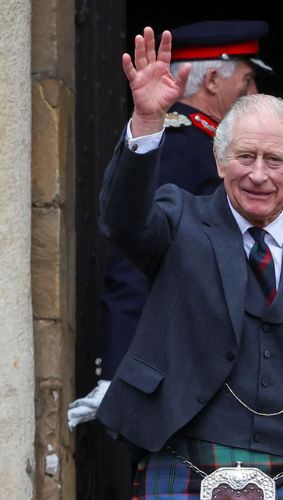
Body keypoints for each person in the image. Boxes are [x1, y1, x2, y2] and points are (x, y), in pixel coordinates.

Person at [95, 27, 283, 499]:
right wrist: (146, 120)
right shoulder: (179, 220)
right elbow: (122, 220)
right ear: (220, 160)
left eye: (275, 160)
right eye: (245, 156)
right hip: (184, 455)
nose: (259, 175)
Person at [68, 20, 272, 430]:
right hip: (177, 368)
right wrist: (117, 369)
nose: (254, 93)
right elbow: (134, 252)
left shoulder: (207, 143)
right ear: (212, 80)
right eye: (248, 80)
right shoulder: (181, 144)